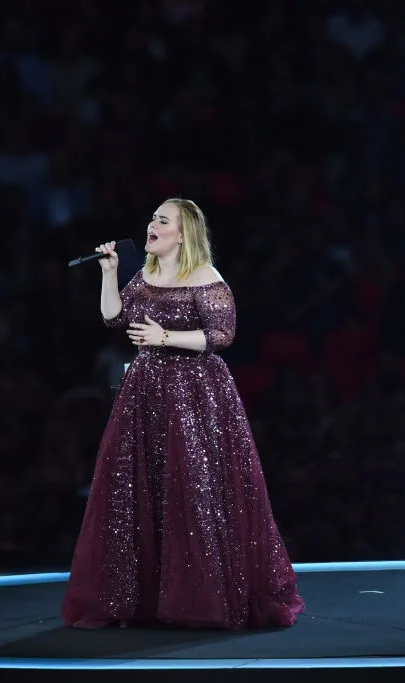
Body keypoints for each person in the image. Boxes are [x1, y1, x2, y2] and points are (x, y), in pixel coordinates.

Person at [61, 198, 305, 630]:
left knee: (193, 487)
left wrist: (165, 335)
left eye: (161, 219)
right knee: (141, 485)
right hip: (146, 391)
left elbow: (222, 335)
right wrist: (110, 273)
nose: (150, 225)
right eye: (152, 217)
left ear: (182, 232)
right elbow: (114, 319)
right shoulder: (148, 273)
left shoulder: (207, 278)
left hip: (194, 393)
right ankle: (143, 598)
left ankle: (200, 599)